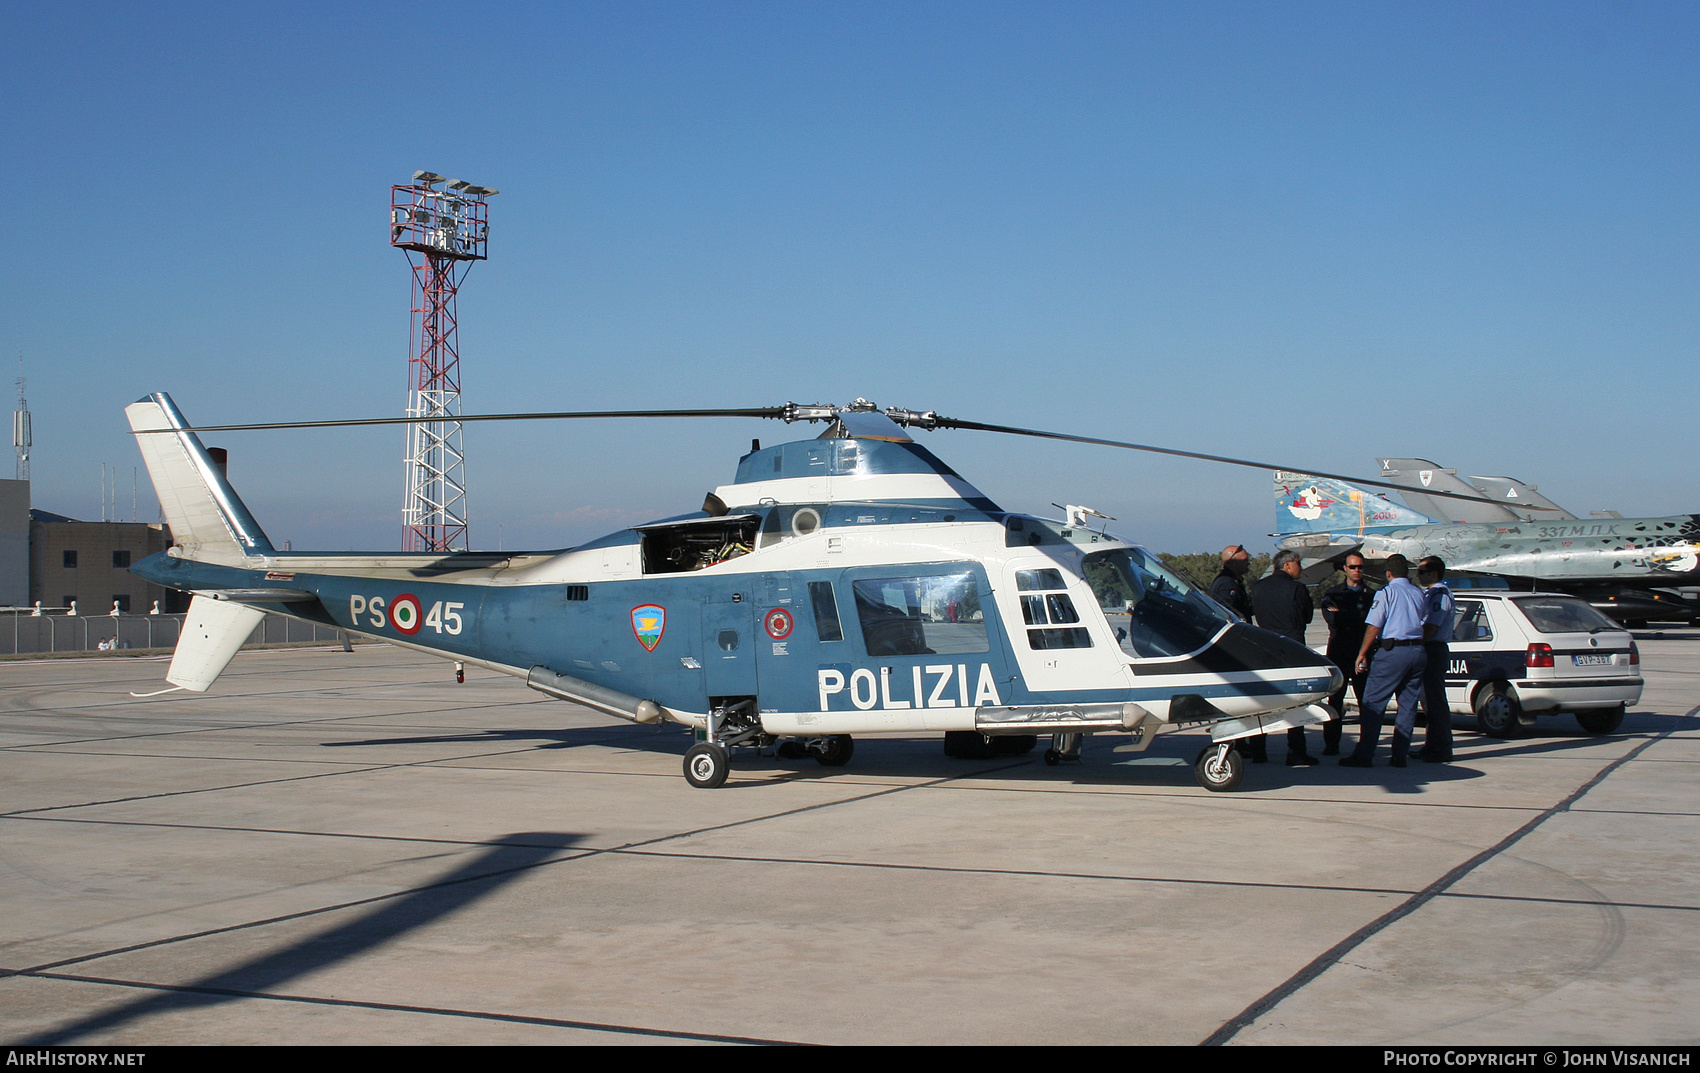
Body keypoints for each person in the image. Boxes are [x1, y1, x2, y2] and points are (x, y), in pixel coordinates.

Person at [1342, 554, 1428, 769]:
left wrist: (1362, 653)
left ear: (1388, 573)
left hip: (1393, 652)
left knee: (1373, 703)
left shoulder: (1386, 592)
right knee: (1408, 705)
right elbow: (1424, 620)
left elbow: (1374, 625)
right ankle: (1400, 754)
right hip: (1417, 650)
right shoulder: (1418, 593)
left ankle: (1364, 754)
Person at [1252, 549, 1319, 765]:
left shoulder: (1258, 588)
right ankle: (1296, 750)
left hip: (1265, 647)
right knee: (1295, 702)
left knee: (1261, 701)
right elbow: (1307, 617)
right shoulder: (1296, 589)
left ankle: (1258, 750)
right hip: (1292, 647)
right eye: (1298, 564)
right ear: (1288, 565)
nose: (1301, 568)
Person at [1320, 553, 1376, 756]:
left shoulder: (1371, 594)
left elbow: (1374, 622)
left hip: (1362, 653)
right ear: (1345, 568)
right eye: (1353, 567)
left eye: (1360, 567)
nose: (1357, 570)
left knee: (1366, 701)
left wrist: (1344, 613)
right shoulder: (1334, 593)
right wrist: (1358, 615)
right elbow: (1332, 618)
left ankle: (1366, 744)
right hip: (1339, 652)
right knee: (1335, 700)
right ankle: (1332, 744)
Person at [1416, 555, 1455, 762]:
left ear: (1434, 573)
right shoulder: (1430, 594)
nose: (1418, 575)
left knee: (1435, 700)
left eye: (1422, 572)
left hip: (1433, 648)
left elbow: (1432, 625)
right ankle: (1431, 745)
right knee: (1427, 701)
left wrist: (1415, 641)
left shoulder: (1440, 595)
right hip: (1428, 648)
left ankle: (1441, 747)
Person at [1210, 545, 1251, 620]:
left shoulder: (1232, 581)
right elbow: (1227, 615)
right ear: (1232, 562)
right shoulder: (1226, 584)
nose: (1249, 563)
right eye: (1245, 560)